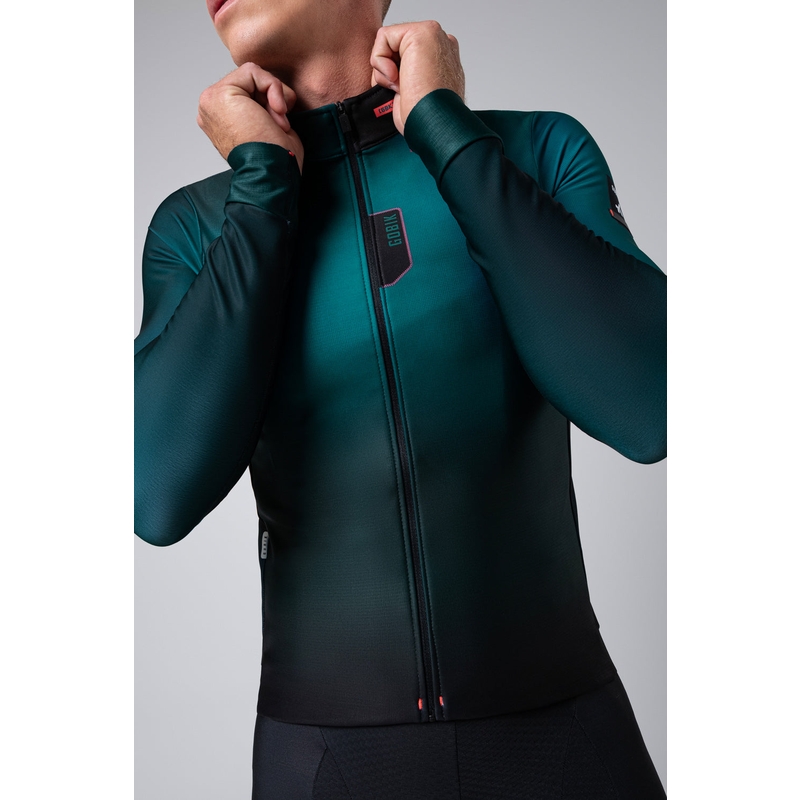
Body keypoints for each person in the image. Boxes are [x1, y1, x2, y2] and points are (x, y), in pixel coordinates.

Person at [135, 0, 667, 796]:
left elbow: (649, 404)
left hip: (566, 749)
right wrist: (263, 185)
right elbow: (154, 493)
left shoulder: (536, 151)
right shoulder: (200, 227)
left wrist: (444, 130)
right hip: (329, 766)